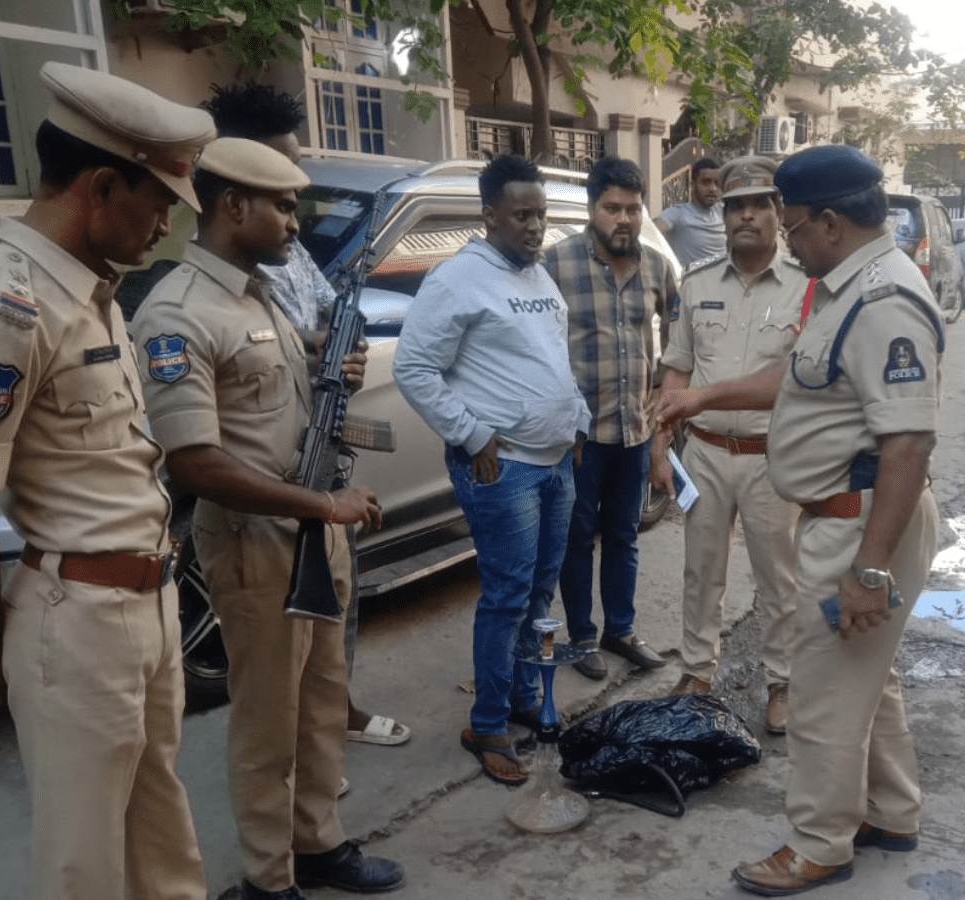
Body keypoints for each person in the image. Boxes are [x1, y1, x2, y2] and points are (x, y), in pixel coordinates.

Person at [0, 62, 215, 900]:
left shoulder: (94, 294)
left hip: (148, 602)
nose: (165, 225)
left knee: (163, 837)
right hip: (77, 620)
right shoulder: (5, 308)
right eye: (159, 202)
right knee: (82, 864)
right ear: (100, 188)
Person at [653, 144, 942, 896]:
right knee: (867, 681)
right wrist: (702, 397)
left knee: (820, 695)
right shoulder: (845, 288)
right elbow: (800, 375)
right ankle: (891, 813)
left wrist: (869, 569)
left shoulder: (884, 300)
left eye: (796, 224)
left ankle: (820, 843)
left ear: (832, 222)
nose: (788, 238)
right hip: (846, 515)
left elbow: (909, 445)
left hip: (859, 522)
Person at [131, 137, 404, 900]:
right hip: (257, 545)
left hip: (314, 530)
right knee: (267, 723)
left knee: (321, 704)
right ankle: (268, 877)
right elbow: (195, 464)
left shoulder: (258, 297)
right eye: (282, 207)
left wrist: (327, 366)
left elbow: (271, 404)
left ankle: (318, 844)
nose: (294, 222)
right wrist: (323, 505)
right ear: (231, 205)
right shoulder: (177, 313)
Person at [204, 82, 409, 750]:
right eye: (283, 175)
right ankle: (288, 758)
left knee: (332, 608)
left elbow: (327, 318)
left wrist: (337, 350)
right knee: (272, 653)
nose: (297, 195)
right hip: (263, 481)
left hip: (321, 448)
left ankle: (332, 717)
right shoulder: (216, 266)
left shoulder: (287, 252)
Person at [393, 155, 589, 787]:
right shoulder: (458, 279)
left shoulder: (538, 275)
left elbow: (552, 357)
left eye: (541, 215)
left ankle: (523, 696)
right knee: (507, 596)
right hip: (504, 470)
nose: (535, 227)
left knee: (539, 591)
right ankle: (486, 725)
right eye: (522, 215)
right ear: (489, 214)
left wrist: (576, 420)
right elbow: (413, 367)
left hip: (554, 463)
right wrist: (471, 433)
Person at [650, 155, 807, 735]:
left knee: (779, 578)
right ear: (722, 215)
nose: (746, 216)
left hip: (772, 459)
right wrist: (660, 443)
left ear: (778, 213)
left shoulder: (805, 287)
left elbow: (798, 380)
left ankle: (782, 681)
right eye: (735, 205)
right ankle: (696, 671)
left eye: (759, 204)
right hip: (706, 454)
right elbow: (677, 366)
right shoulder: (697, 283)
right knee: (701, 571)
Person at [545, 155, 678, 681]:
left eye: (633, 208)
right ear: (591, 208)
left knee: (624, 535)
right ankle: (581, 636)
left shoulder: (658, 267)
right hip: (580, 437)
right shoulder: (556, 265)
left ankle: (620, 630)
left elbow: (680, 337)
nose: (624, 218)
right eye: (612, 208)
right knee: (577, 538)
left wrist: (663, 390)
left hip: (634, 431)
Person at [655, 157, 725, 267]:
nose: (713, 189)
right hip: (692, 277)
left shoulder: (724, 212)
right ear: (692, 184)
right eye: (706, 182)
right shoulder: (678, 214)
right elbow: (650, 232)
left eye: (717, 183)